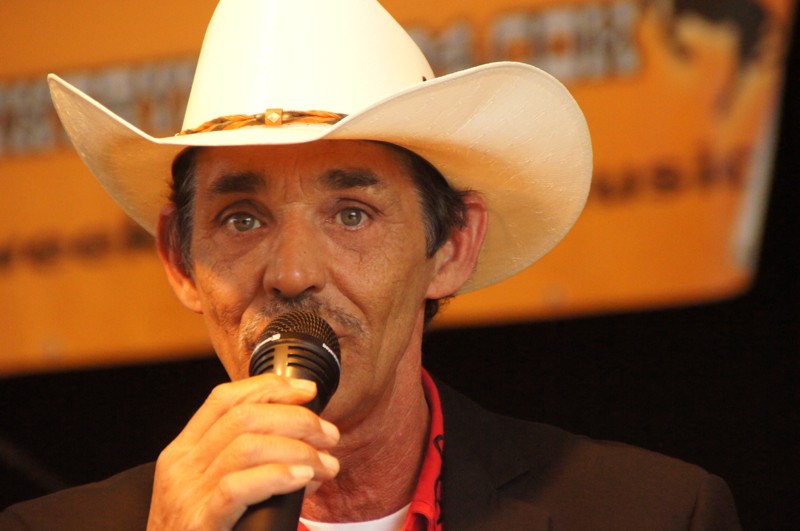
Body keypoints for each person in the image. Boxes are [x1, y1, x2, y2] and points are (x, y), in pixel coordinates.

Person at [1, 0, 741, 529]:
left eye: (351, 213)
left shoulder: (649, 511)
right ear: (180, 259)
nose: (293, 273)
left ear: (451, 247)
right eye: (242, 218)